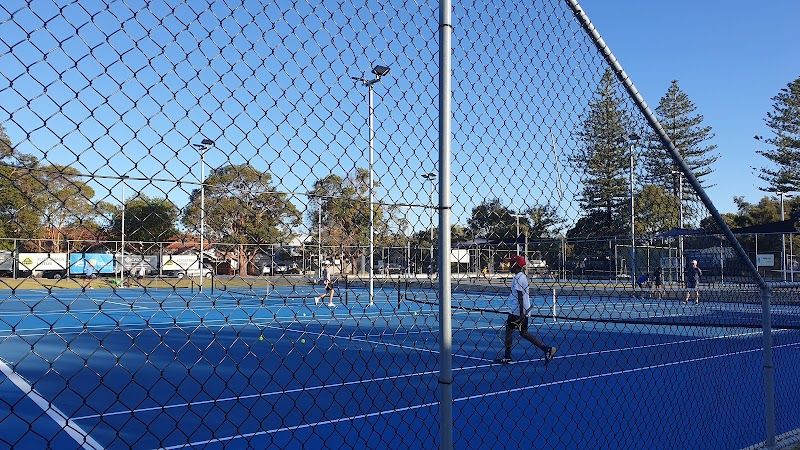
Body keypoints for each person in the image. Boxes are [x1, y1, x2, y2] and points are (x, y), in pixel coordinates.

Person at [497, 255, 557, 365]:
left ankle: (507, 356)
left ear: (516, 265)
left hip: (518, 311)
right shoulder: (518, 277)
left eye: (512, 263)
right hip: (519, 310)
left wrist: (521, 313)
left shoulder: (520, 278)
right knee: (523, 333)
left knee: (510, 331)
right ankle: (547, 349)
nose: (509, 265)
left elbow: (520, 296)